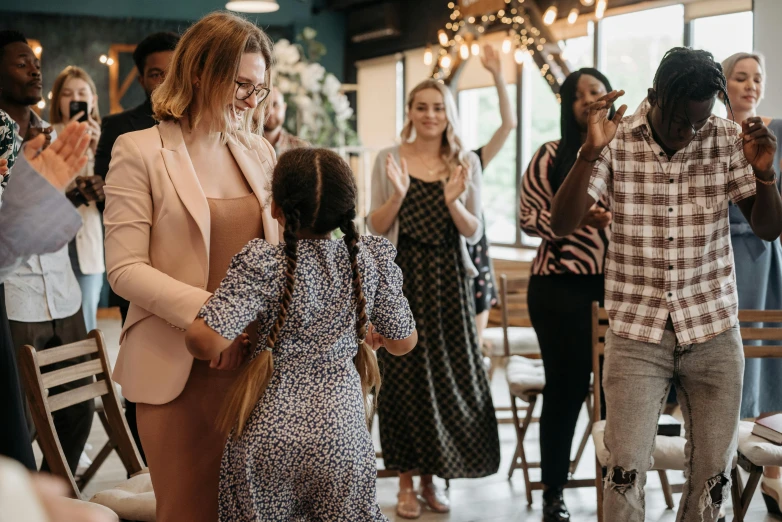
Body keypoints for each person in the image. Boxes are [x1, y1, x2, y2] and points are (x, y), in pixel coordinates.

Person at [550, 47, 782, 522]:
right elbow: (561, 223)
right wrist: (589, 152)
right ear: (654, 95)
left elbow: (767, 228)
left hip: (713, 329)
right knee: (624, 472)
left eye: (697, 122)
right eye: (679, 120)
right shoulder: (615, 139)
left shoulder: (723, 137)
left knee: (712, 478)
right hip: (636, 333)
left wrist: (764, 175)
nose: (687, 132)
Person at [103, 12, 279, 522]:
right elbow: (125, 268)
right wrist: (217, 318)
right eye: (241, 84)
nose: (251, 100)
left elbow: (280, 252)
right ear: (201, 72)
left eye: (260, 89)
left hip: (256, 365)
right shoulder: (139, 150)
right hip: (177, 366)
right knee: (189, 512)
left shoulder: (259, 152)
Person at [185, 147, 418, 521]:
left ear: (275, 207)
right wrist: (363, 327)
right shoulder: (369, 258)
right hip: (341, 434)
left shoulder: (263, 262)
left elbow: (203, 341)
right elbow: (403, 342)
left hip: (268, 435)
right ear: (348, 209)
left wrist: (232, 334)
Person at [367, 79, 500, 519]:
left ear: (448, 114)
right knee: (403, 382)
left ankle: (432, 479)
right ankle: (405, 481)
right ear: (410, 111)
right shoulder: (389, 159)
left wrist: (451, 202)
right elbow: (374, 226)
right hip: (402, 284)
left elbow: (474, 231)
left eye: (437, 108)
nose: (429, 115)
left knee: (451, 383)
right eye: (421, 107)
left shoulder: (464, 162)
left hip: (449, 287)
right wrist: (400, 196)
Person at [519, 67, 613, 522]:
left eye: (597, 90)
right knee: (567, 388)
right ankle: (554, 491)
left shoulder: (626, 153)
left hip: (616, 287)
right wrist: (575, 219)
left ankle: (618, 486)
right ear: (567, 105)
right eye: (579, 95)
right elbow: (527, 216)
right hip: (558, 287)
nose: (589, 100)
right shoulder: (551, 154)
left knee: (620, 391)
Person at [0, 30, 95, 476]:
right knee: (20, 421)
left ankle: (51, 491)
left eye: (35, 62)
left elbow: (52, 214)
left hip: (62, 291)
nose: (35, 69)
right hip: (15, 296)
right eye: (21, 62)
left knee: (79, 410)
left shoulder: (53, 135)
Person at [93, 30, 179, 466]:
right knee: (145, 364)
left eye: (172, 71)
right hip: (141, 262)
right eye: (154, 74)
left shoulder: (205, 126)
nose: (164, 83)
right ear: (142, 78)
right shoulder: (120, 130)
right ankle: (145, 464)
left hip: (189, 271)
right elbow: (107, 191)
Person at [721, 51, 782, 514]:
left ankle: (773, 475)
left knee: (770, 357)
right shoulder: (714, 135)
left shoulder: (775, 134)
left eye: (756, 78)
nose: (750, 85)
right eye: (740, 77)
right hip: (723, 253)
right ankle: (721, 464)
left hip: (766, 255)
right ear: (724, 84)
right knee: (729, 356)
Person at [50, 66, 105, 334]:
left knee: (86, 322)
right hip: (52, 239)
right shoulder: (45, 136)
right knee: (55, 324)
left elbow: (112, 191)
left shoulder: (105, 137)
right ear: (57, 100)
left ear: (93, 99)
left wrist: (97, 149)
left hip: (88, 238)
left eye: (82, 93)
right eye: (67, 93)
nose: (75, 99)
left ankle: (85, 375)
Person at [470, 45, 517, 347]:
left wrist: (498, 75)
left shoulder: (470, 161)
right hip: (432, 266)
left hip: (474, 258)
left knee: (473, 348)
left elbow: (508, 124)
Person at [262, 87, 309, 156]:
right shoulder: (244, 143)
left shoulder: (299, 148)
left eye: (275, 105)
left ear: (284, 108)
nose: (270, 111)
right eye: (264, 105)